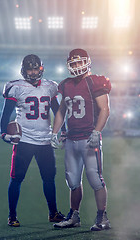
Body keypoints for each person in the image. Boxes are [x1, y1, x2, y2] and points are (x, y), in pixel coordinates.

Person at [0, 54, 66, 227]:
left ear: (41, 68)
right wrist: (3, 132)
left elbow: (57, 111)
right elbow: (6, 113)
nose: (33, 72)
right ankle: (12, 215)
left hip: (45, 140)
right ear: (23, 70)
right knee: (17, 178)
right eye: (30, 68)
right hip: (24, 140)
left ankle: (53, 213)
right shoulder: (16, 87)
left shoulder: (50, 86)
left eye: (35, 68)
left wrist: (63, 130)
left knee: (49, 178)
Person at [51, 48, 111, 231]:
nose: (76, 66)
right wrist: (55, 132)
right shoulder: (66, 84)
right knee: (73, 180)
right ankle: (74, 216)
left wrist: (96, 131)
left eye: (79, 62)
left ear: (87, 62)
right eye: (73, 63)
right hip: (71, 139)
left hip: (88, 138)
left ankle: (103, 218)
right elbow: (61, 110)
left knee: (95, 179)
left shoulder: (96, 81)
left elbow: (105, 109)